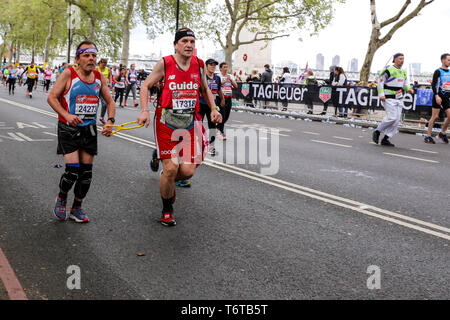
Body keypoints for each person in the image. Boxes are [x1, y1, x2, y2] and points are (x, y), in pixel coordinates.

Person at [137, 28, 222, 227]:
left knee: (187, 172)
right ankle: (167, 209)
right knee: (171, 168)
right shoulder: (165, 63)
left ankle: (166, 177)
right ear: (176, 45)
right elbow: (145, 85)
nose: (189, 45)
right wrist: (144, 110)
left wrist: (213, 108)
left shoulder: (199, 64)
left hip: (188, 124)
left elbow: (205, 88)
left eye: (192, 41)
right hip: (166, 122)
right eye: (184, 41)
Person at [47, 40, 115, 223]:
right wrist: (67, 115)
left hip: (89, 129)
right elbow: (52, 98)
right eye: (86, 55)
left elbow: (109, 101)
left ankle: (77, 207)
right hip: (68, 128)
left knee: (86, 174)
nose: (91, 58)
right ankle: (62, 197)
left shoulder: (100, 77)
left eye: (94, 55)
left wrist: (110, 121)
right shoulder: (69, 73)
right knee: (72, 171)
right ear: (78, 59)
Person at [372, 53, 414, 147]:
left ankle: (386, 138)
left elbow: (405, 84)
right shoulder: (388, 70)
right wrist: (381, 94)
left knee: (396, 120)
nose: (402, 60)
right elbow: (380, 82)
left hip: (399, 98)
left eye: (403, 59)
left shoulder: (403, 71)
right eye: (400, 59)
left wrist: (409, 89)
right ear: (394, 59)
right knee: (392, 117)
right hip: (388, 97)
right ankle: (377, 131)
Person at [198, 58, 224, 156]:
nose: (213, 67)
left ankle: (211, 145)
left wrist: (222, 99)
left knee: (212, 125)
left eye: (214, 65)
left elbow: (219, 90)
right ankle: (200, 144)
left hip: (212, 106)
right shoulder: (202, 77)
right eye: (211, 65)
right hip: (201, 104)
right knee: (198, 125)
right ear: (206, 66)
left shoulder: (217, 78)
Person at [424, 53, 450, 144]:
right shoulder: (438, 71)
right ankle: (428, 136)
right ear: (443, 60)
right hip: (438, 95)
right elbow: (434, 84)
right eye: (448, 60)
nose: (449, 62)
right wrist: (436, 95)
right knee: (435, 117)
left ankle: (442, 132)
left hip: (446, 96)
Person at [218, 62, 237, 139]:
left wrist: (231, 80)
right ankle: (221, 131)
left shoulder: (230, 76)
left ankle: (218, 126)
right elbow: (216, 85)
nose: (226, 69)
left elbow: (236, 86)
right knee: (222, 114)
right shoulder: (218, 76)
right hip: (221, 98)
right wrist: (224, 81)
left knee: (227, 115)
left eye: (227, 67)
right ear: (220, 68)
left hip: (229, 97)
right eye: (224, 67)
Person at [97, 58, 111, 124]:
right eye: (103, 63)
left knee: (104, 104)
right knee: (95, 103)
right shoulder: (97, 69)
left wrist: (110, 83)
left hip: (103, 88)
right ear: (100, 63)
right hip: (96, 87)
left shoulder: (108, 69)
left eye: (106, 64)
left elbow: (109, 77)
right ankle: (92, 117)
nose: (104, 65)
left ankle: (101, 117)